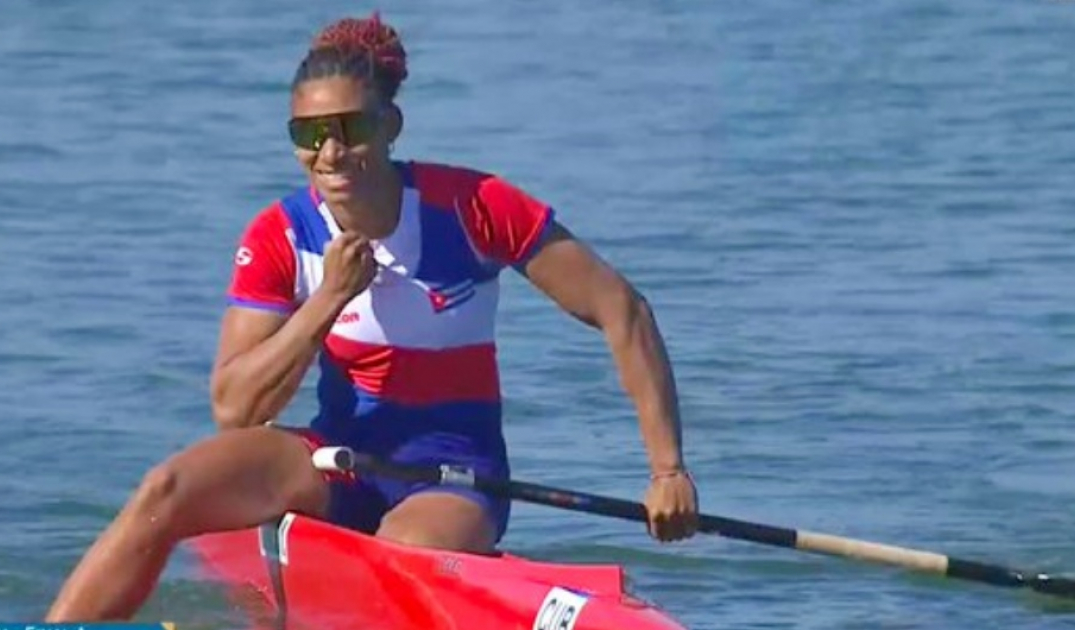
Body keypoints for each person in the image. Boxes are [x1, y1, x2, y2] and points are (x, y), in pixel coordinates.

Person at [45, 11, 698, 622]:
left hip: (453, 471)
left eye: (352, 128)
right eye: (309, 135)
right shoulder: (280, 235)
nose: (330, 154)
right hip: (337, 457)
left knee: (401, 553)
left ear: (391, 125)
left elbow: (623, 311)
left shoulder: (474, 207)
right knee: (165, 490)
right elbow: (234, 409)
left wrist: (667, 471)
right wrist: (328, 298)